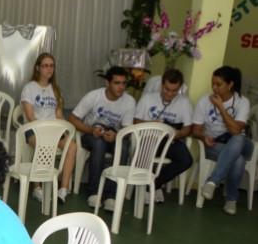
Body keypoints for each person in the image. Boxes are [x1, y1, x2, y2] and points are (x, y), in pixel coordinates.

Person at [69, 66, 135, 210]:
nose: (121, 87)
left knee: (122, 147)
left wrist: (117, 135)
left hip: (113, 134)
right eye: (117, 83)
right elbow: (73, 118)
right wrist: (91, 130)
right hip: (90, 133)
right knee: (99, 144)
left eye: (124, 83)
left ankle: (111, 195)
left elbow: (128, 129)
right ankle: (94, 193)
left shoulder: (129, 101)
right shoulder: (94, 96)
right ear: (107, 83)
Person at [192, 65, 253, 215]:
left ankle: (213, 181)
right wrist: (203, 136)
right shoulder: (204, 101)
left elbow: (236, 130)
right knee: (237, 160)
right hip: (216, 144)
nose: (214, 88)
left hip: (243, 144)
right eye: (212, 83)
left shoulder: (242, 102)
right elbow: (196, 130)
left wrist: (221, 107)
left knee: (237, 138)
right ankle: (231, 200)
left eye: (218, 84)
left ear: (230, 84)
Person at [20, 52, 77, 204]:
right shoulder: (29, 88)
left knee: (71, 146)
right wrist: (44, 131)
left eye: (51, 66)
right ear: (38, 68)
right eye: (45, 66)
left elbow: (58, 116)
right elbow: (30, 116)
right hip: (34, 130)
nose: (49, 69)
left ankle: (63, 189)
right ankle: (37, 187)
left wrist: (65, 130)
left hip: (54, 131)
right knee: (43, 143)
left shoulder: (56, 90)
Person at [134, 68, 193, 204]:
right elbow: (136, 122)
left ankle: (154, 183)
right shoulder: (148, 99)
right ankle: (145, 187)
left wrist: (178, 134)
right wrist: (153, 123)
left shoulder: (184, 102)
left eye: (174, 91)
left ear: (179, 89)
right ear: (161, 85)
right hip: (149, 138)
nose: (170, 94)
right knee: (143, 153)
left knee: (186, 160)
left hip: (170, 140)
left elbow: (187, 129)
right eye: (166, 89)